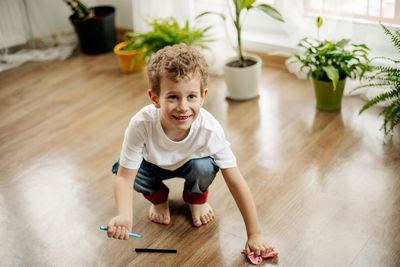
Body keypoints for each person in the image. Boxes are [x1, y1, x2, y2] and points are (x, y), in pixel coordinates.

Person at [106, 43, 274, 256]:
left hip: (192, 166)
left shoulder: (209, 130)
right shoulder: (141, 124)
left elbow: (236, 181)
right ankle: (159, 200)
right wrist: (124, 215)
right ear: (155, 98)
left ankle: (196, 199)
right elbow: (124, 178)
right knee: (127, 167)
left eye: (191, 97)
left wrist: (255, 233)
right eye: (173, 97)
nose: (183, 107)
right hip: (152, 165)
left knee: (204, 167)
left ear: (203, 96)